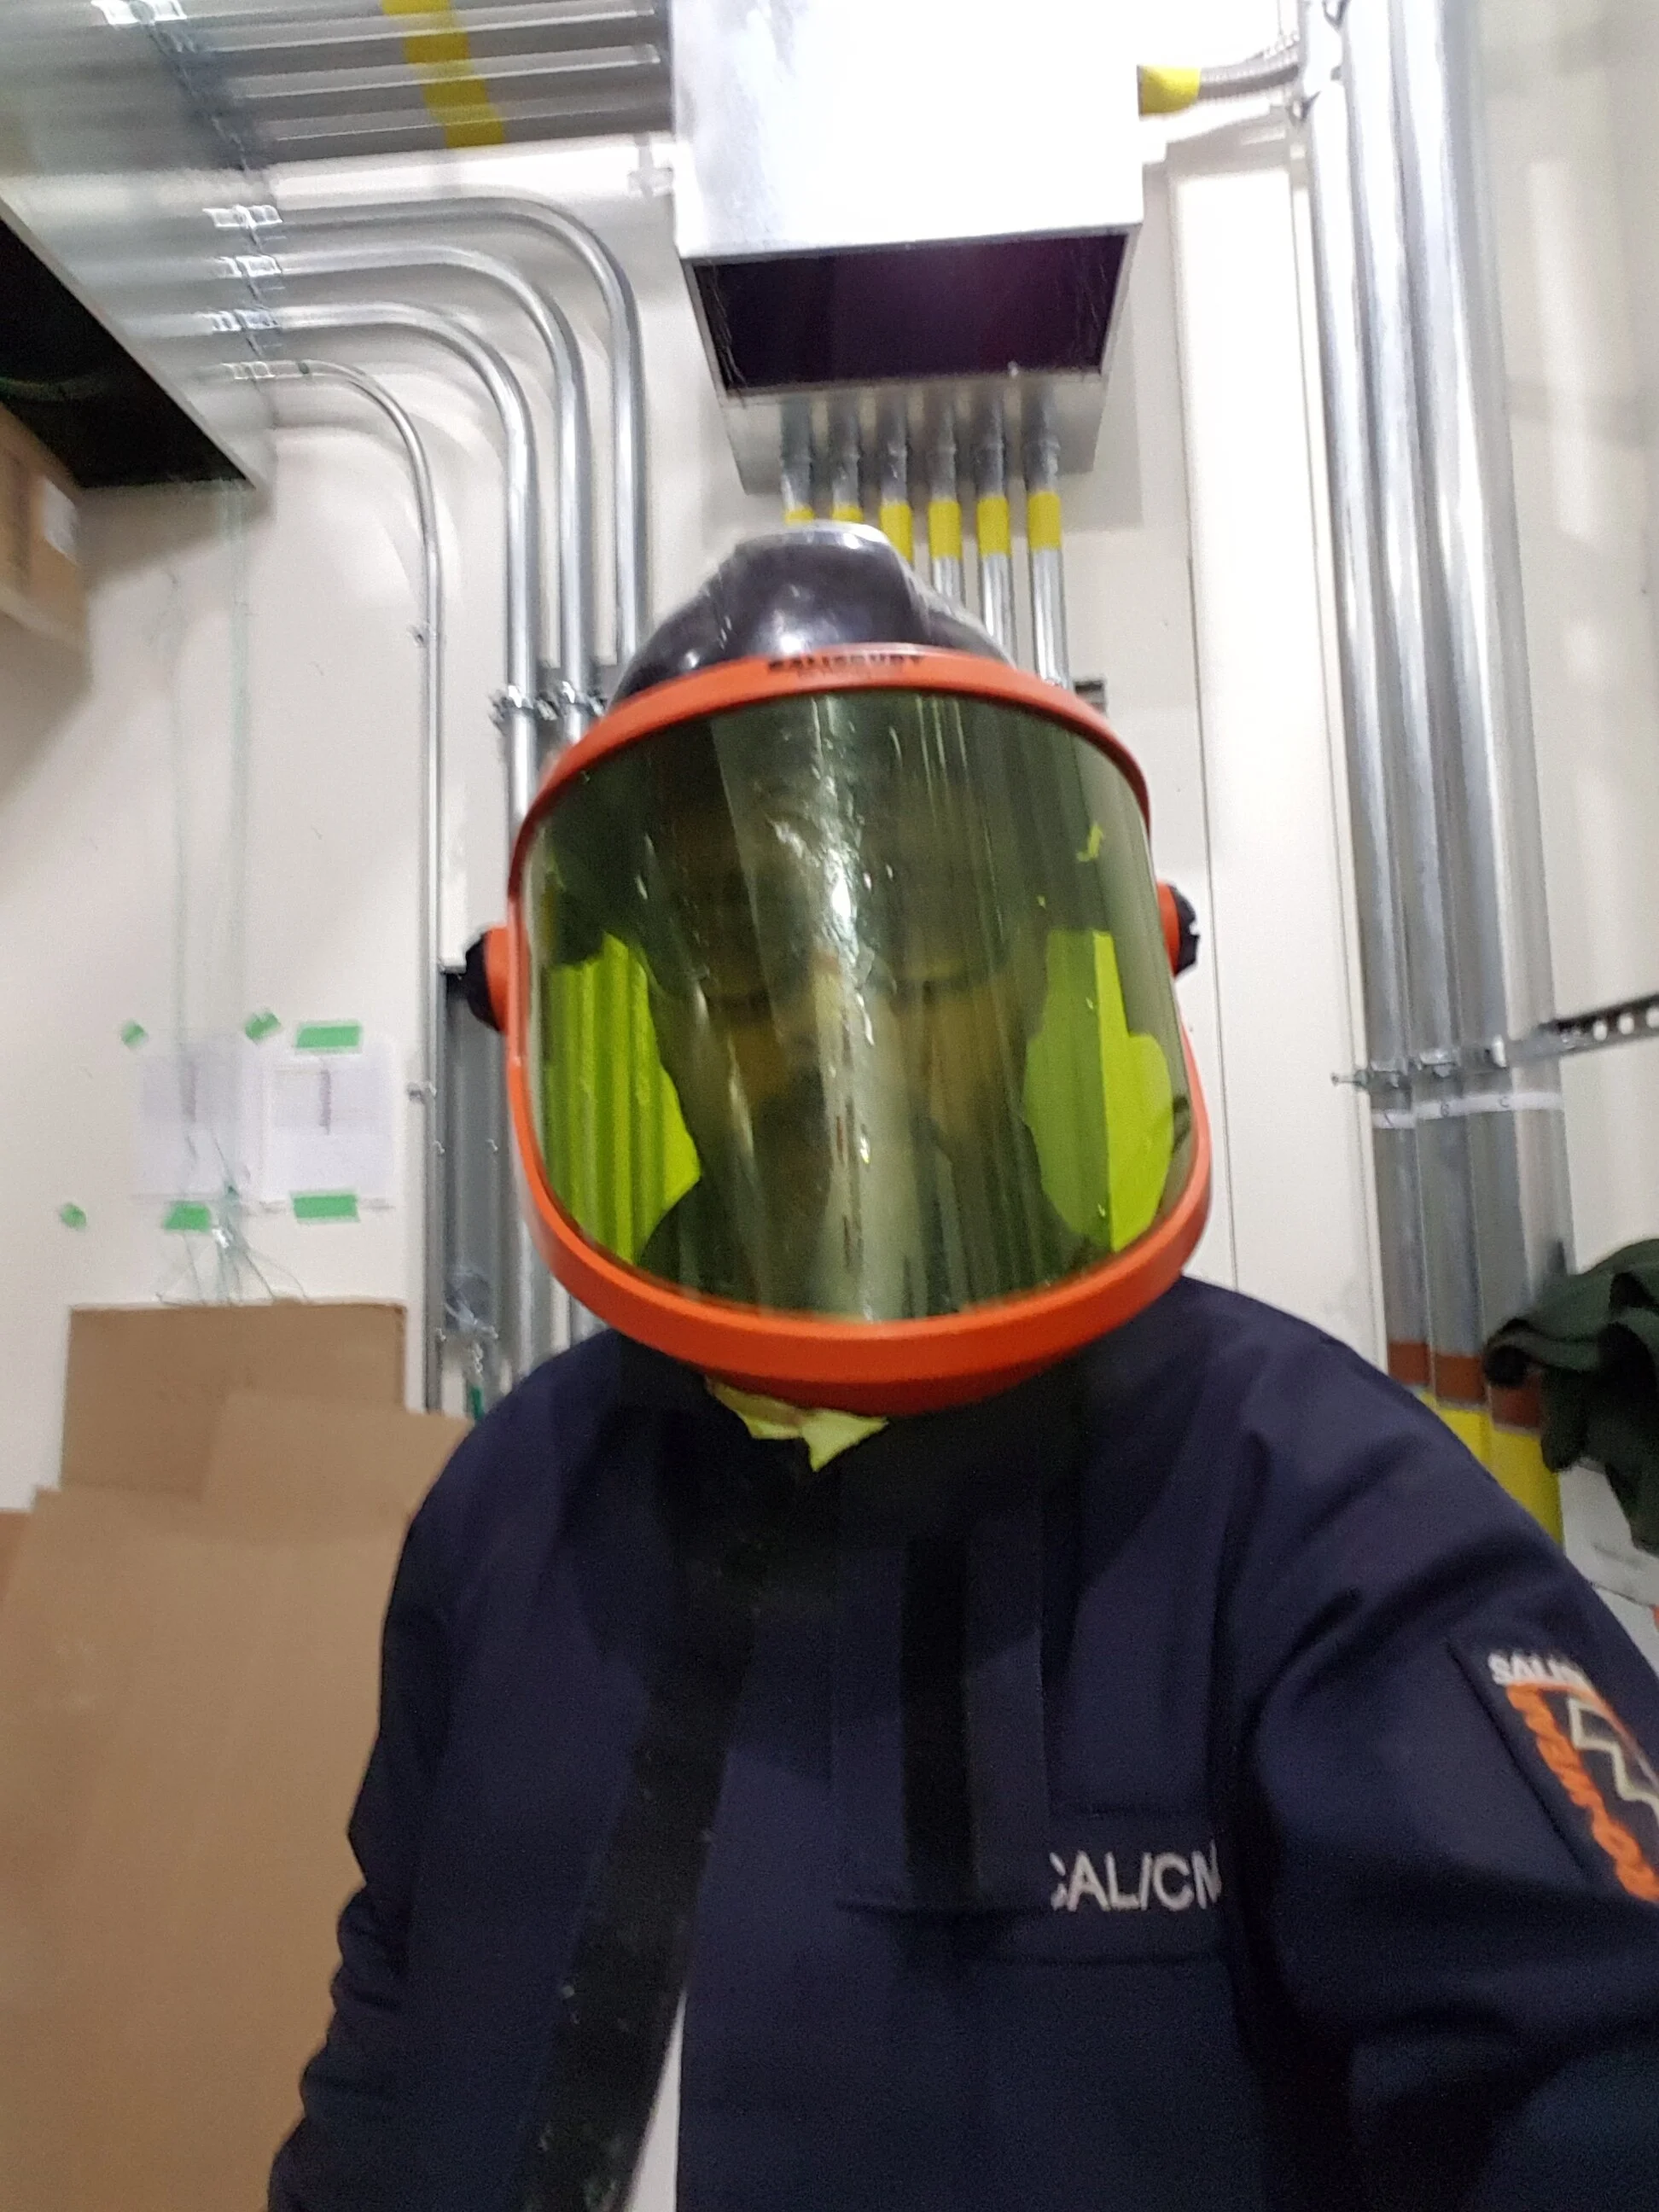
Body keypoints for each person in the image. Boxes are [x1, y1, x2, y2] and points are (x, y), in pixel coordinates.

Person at [272, 527, 1659, 2212]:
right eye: (736, 948)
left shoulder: (1313, 1519)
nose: (820, 1021)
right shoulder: (503, 1510)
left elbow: (1591, 2060)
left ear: (1043, 956)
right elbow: (391, 2024)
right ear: (607, 996)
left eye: (914, 935)